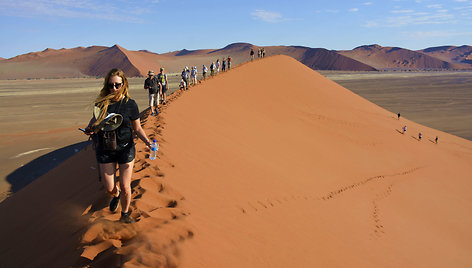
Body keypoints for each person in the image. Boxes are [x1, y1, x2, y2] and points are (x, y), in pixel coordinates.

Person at [84, 68, 153, 224]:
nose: (114, 88)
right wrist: (90, 129)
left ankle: (125, 214)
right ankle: (116, 195)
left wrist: (148, 142)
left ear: (124, 84)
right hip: (106, 149)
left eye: (117, 85)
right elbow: (94, 122)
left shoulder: (130, 104)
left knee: (125, 185)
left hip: (125, 149)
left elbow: (137, 128)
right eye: (111, 85)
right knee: (109, 187)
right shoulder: (102, 104)